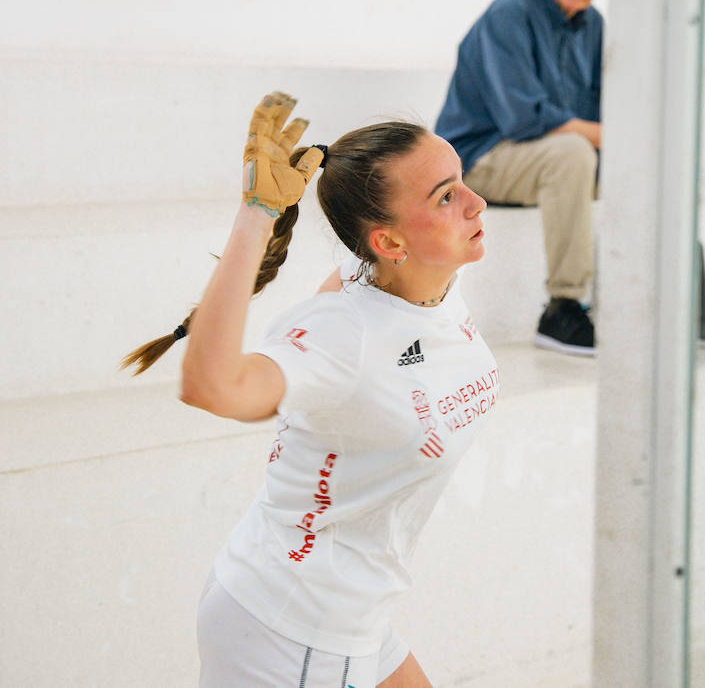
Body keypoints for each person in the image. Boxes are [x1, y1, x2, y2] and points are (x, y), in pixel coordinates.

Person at [123, 92, 496, 687]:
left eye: (461, 181)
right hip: (292, 630)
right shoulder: (345, 332)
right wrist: (255, 215)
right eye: (446, 196)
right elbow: (210, 385)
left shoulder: (415, 281)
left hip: (351, 618)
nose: (476, 202)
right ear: (390, 242)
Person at [434, 0, 705, 357]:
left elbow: (610, 110)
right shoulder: (509, 15)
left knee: (653, 161)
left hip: (546, 161)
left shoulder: (594, 28)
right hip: (478, 162)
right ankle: (563, 307)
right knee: (573, 153)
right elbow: (522, 118)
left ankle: (679, 299)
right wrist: (614, 135)